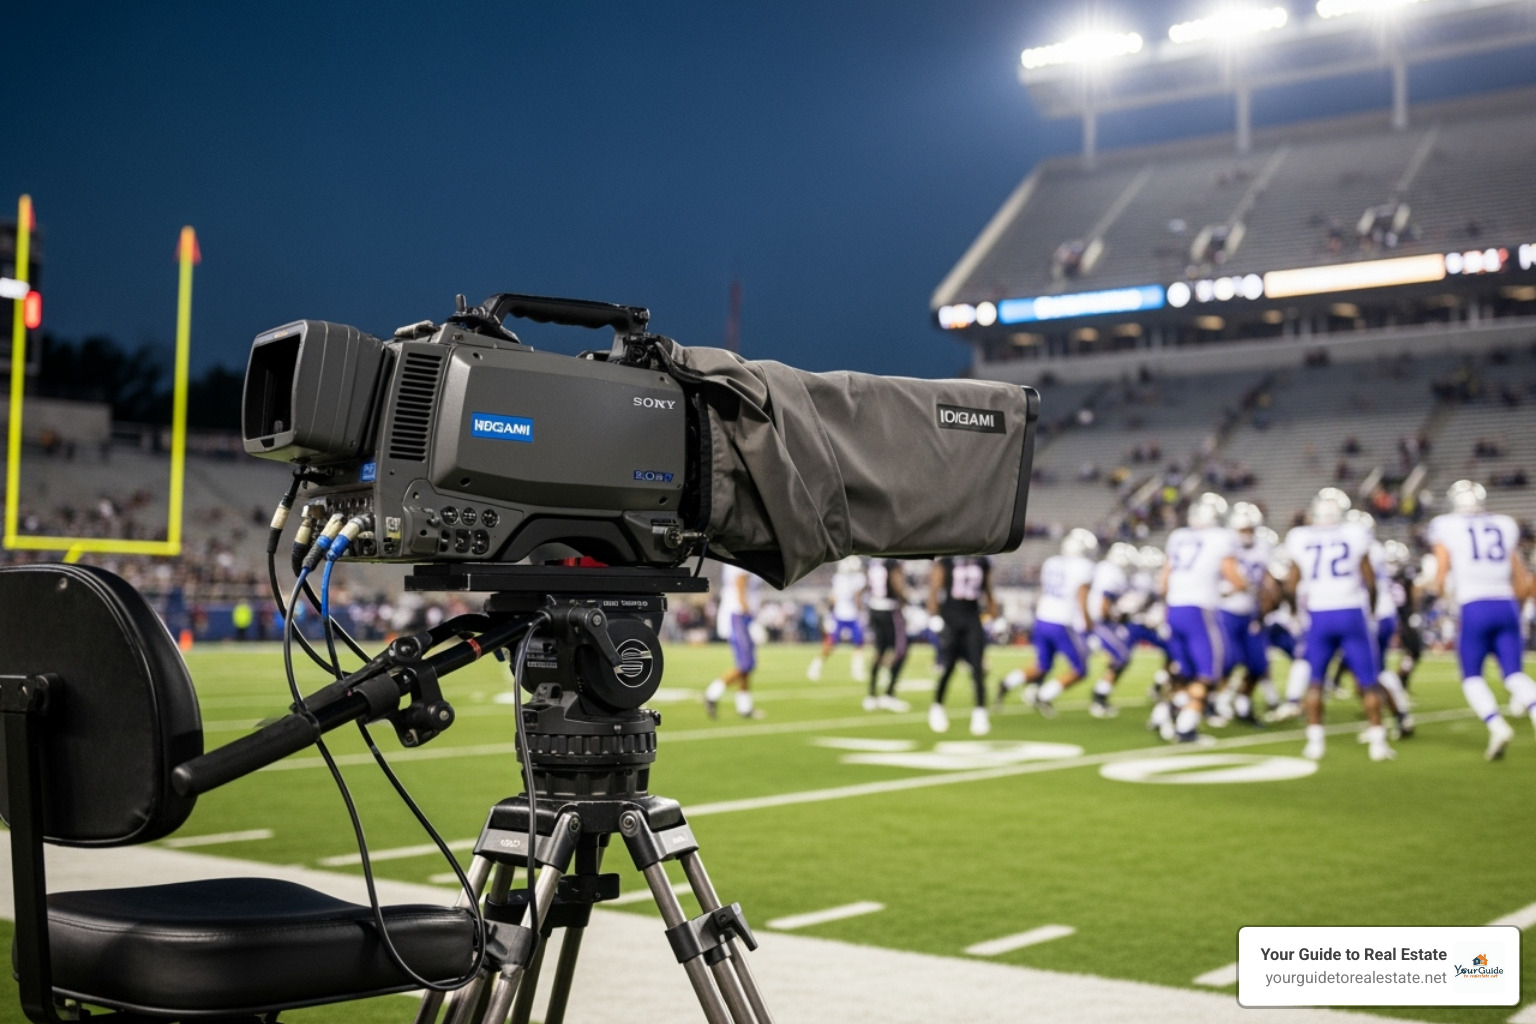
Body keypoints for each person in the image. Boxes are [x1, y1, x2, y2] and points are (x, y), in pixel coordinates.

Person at [1283, 488, 1394, 762]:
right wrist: (1370, 610)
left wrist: (1295, 612)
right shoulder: (1355, 533)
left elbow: (1291, 585)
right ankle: (1378, 742)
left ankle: (1315, 742)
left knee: (1315, 681)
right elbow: (1370, 581)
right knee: (1368, 681)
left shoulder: (1300, 537)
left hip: (1319, 613)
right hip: (1351, 611)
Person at [1428, 479, 1536, 759]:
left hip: (1474, 606)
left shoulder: (1446, 525)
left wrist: (1440, 595)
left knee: (1472, 676)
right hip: (1506, 605)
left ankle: (1496, 725)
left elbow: (1441, 572)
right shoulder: (1504, 524)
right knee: (1514, 674)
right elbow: (1522, 580)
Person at [1155, 493, 1246, 743]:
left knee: (1186, 671)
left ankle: (1166, 711)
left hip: (1174, 608)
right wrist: (1240, 587)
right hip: (1199, 610)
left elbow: (1163, 582)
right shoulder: (1221, 537)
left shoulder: (1178, 536)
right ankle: (1186, 726)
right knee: (1209, 672)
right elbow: (1234, 577)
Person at [1001, 529, 1097, 717]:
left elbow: (1043, 590)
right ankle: (1044, 696)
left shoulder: (1051, 562)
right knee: (1080, 669)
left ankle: (1007, 682)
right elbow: (1082, 598)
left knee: (1042, 665)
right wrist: (1088, 623)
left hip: (1042, 618)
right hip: (1061, 621)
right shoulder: (1083, 567)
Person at [1212, 503, 1276, 726]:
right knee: (1227, 661)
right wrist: (1245, 586)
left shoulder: (1264, 545)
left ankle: (1243, 704)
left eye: (1250, 529)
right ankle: (1216, 702)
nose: (1247, 533)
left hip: (1252, 612)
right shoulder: (1224, 544)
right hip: (1226, 610)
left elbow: (1266, 578)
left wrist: (1266, 596)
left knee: (1258, 664)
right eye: (1243, 529)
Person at [928, 555, 996, 736]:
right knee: (948, 666)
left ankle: (980, 712)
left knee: (978, 668)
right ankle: (937, 706)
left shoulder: (981, 560)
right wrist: (933, 614)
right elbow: (936, 586)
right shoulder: (948, 558)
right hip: (950, 617)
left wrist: (993, 614)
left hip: (972, 617)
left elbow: (988, 589)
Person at [1085, 542, 1141, 718]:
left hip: (1098, 619)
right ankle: (1099, 698)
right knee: (1121, 656)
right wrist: (1115, 616)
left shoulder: (1103, 568)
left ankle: (1100, 694)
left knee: (1120, 658)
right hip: (1100, 621)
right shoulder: (1112, 572)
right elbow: (1104, 604)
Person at [704, 561, 765, 720]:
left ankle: (744, 707)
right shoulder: (741, 560)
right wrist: (748, 615)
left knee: (746, 665)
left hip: (740, 614)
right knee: (746, 664)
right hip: (739, 615)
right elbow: (740, 585)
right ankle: (712, 693)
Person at [807, 556, 867, 682]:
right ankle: (817, 665)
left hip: (847, 615)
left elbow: (833, 599)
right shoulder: (844, 579)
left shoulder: (845, 579)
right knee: (837, 643)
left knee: (857, 643)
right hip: (843, 614)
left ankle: (817, 666)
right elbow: (837, 599)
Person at [864, 558, 912, 712]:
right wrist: (905, 598)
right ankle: (888, 694)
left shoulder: (874, 562)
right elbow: (896, 582)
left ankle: (871, 694)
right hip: (890, 611)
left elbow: (868, 584)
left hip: (874, 608)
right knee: (901, 651)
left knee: (879, 650)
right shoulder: (892, 562)